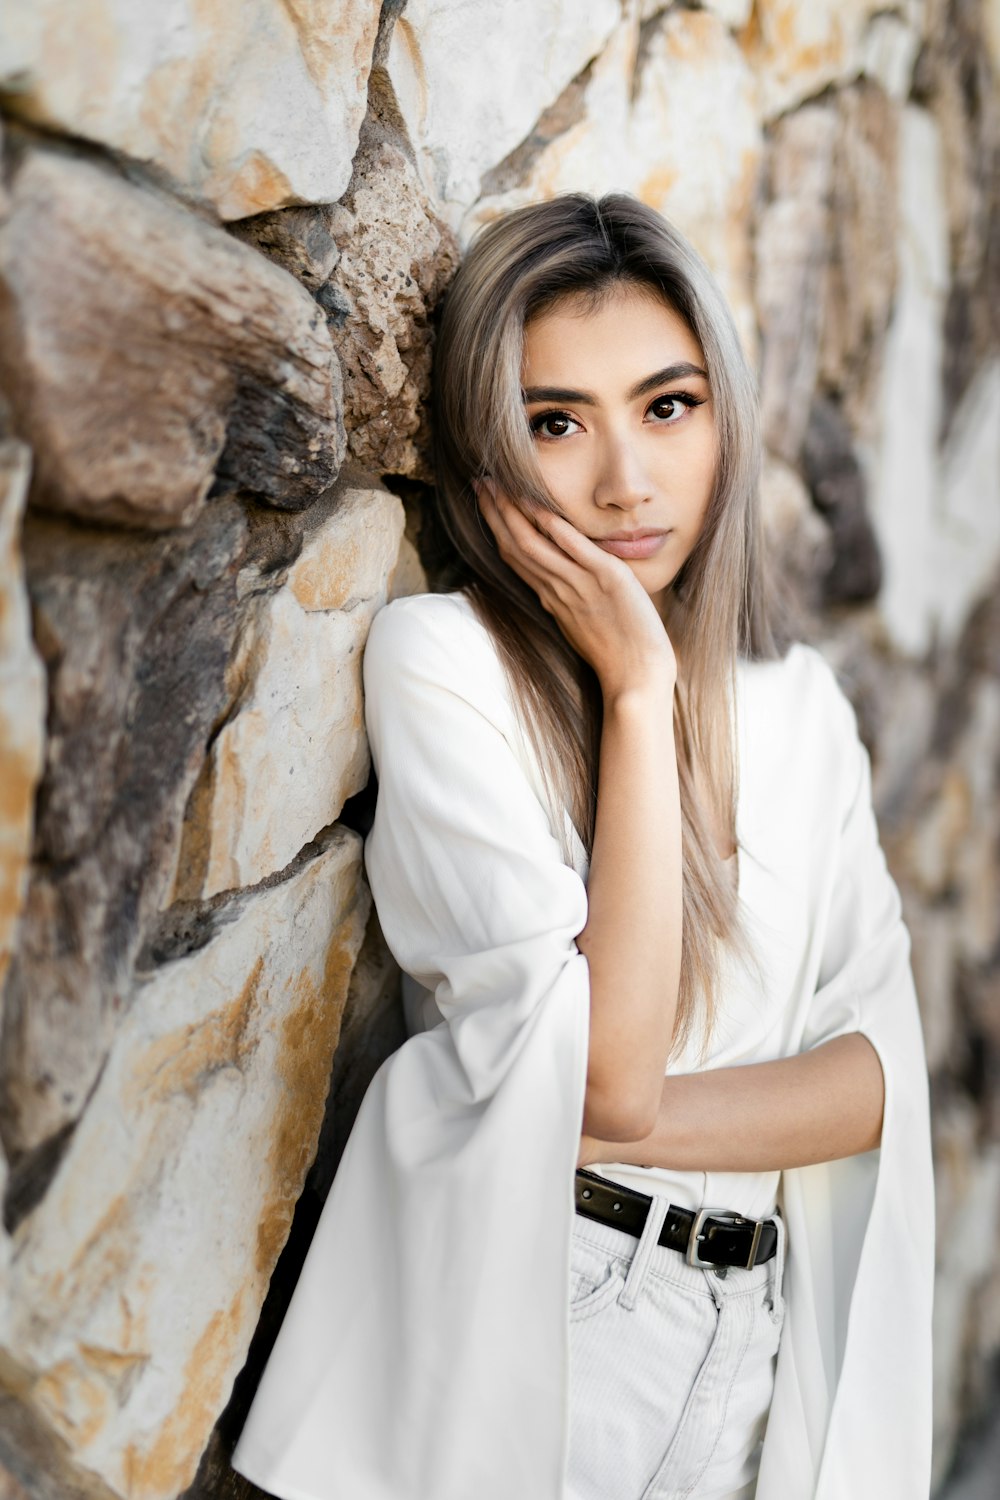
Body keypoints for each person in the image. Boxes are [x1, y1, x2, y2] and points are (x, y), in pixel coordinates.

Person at [230, 193, 934, 1500]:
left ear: (724, 412)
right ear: (490, 454)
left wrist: (602, 1116)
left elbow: (872, 1081)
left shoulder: (801, 714)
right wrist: (632, 692)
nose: (626, 479)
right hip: (549, 1315)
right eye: (558, 422)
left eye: (668, 405)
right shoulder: (443, 665)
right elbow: (610, 1078)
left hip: (747, 1352)